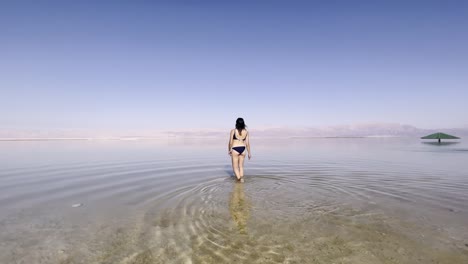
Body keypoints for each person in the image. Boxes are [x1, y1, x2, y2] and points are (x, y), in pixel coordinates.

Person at [228, 117, 251, 182]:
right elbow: (247, 143)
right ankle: (242, 179)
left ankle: (239, 180)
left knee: (235, 167)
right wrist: (249, 153)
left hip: (235, 149)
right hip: (243, 149)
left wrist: (229, 150)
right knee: (241, 166)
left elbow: (230, 142)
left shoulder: (233, 131)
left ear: (236, 123)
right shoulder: (246, 132)